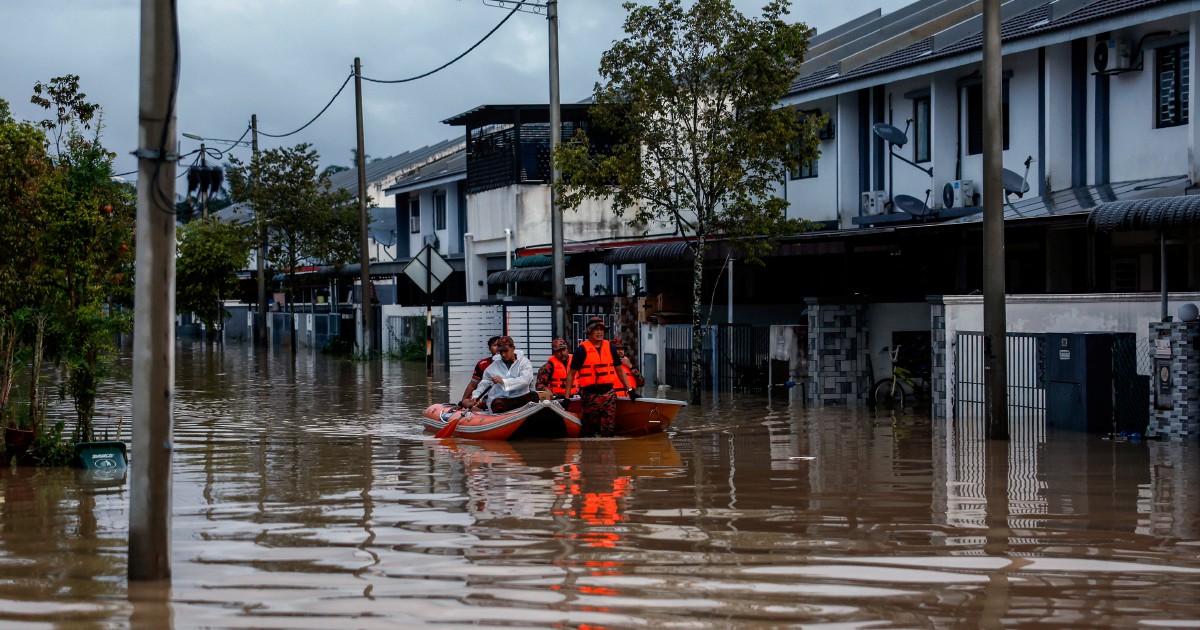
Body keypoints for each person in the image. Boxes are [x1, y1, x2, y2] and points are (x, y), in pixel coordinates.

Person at [561, 317, 637, 437]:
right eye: (596, 329)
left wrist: (630, 390)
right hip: (589, 396)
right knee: (589, 432)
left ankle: (607, 453)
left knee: (609, 430)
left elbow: (619, 371)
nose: (599, 332)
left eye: (601, 329)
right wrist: (566, 398)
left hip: (608, 395)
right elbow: (571, 375)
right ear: (589, 332)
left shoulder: (611, 348)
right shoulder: (581, 351)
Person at [470, 336, 537, 413]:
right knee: (497, 404)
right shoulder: (494, 365)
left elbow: (525, 380)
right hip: (502, 400)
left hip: (520, 397)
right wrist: (476, 396)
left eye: (506, 351)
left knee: (533, 396)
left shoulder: (524, 362)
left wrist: (503, 382)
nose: (503, 355)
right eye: (501, 352)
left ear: (513, 348)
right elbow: (484, 384)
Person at [459, 336, 501, 407]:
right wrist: (463, 401)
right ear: (489, 348)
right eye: (495, 345)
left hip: (501, 395)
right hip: (484, 394)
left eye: (499, 345)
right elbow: (473, 384)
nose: (497, 348)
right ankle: (481, 414)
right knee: (466, 402)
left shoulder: (510, 363)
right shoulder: (482, 364)